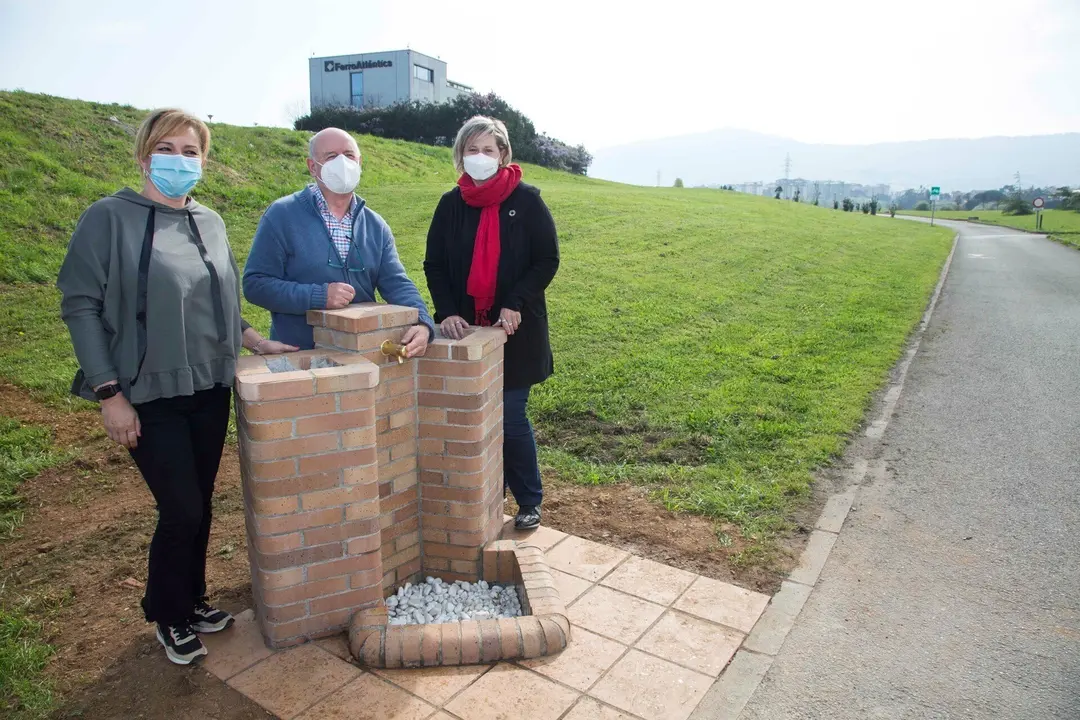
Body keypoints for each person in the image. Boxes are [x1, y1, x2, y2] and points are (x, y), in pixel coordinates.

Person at [56, 109, 297, 666]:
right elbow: (81, 305)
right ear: (144, 156)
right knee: (182, 509)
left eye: (192, 151)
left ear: (204, 161)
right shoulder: (108, 218)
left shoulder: (209, 222)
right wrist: (108, 393)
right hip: (146, 392)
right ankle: (166, 613)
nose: (180, 159)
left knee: (201, 504)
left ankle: (191, 601)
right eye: (168, 148)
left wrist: (255, 341)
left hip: (209, 386)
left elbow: (222, 301)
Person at [423, 116, 560, 530]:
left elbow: (546, 260)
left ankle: (529, 499)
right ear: (460, 155)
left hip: (514, 332)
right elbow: (435, 265)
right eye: (472, 149)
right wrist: (447, 311)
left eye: (488, 150)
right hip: (467, 331)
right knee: (474, 414)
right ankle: (486, 494)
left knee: (510, 415)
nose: (480, 157)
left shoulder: (527, 199)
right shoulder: (451, 204)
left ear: (503, 155)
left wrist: (516, 301)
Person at [243, 127, 434, 353]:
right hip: (303, 355)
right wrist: (318, 296)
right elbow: (256, 284)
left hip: (364, 355)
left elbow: (397, 283)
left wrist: (422, 322)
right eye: (331, 156)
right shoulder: (282, 215)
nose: (343, 163)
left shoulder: (375, 225)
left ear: (359, 162)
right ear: (313, 167)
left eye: (349, 155)